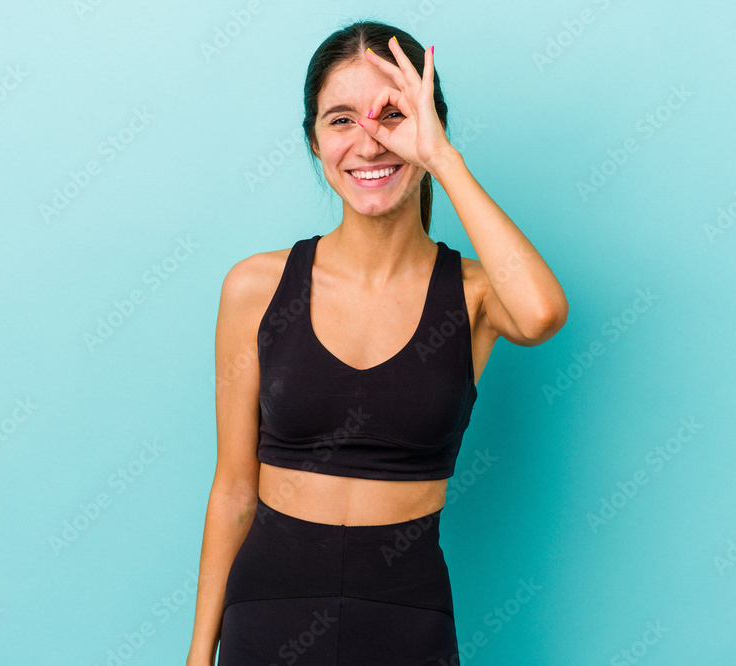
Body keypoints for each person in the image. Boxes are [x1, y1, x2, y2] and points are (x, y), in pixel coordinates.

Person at [186, 19, 568, 665]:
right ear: (313, 139)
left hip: (406, 609)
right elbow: (232, 489)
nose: (369, 143)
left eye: (392, 114)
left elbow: (540, 316)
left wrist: (442, 159)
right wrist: (200, 656)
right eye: (340, 119)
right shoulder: (256, 286)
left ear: (428, 125)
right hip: (269, 604)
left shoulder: (475, 297)